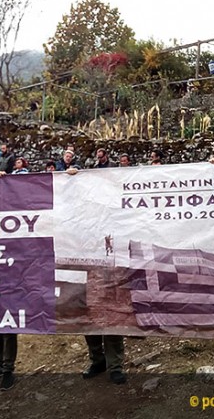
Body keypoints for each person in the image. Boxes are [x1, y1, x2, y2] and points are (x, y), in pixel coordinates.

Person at [82, 156, 127, 385]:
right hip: (88, 271)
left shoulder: (115, 210)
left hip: (111, 271)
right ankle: (97, 359)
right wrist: (70, 175)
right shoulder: (81, 212)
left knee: (111, 317)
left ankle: (115, 365)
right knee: (88, 318)